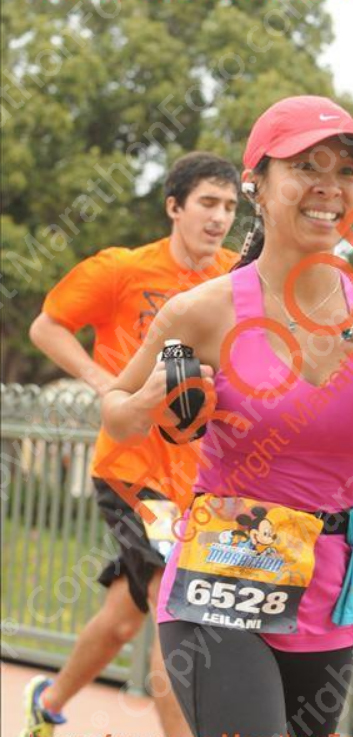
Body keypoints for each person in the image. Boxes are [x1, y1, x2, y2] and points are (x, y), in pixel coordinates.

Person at [101, 96, 353, 736]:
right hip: (219, 582)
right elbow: (116, 412)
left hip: (330, 594)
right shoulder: (203, 310)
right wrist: (144, 402)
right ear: (257, 185)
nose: (330, 186)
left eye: (347, 172)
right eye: (305, 166)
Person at [22, 152, 240, 737]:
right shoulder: (121, 269)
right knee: (178, 620)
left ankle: (46, 705)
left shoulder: (235, 280)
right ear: (174, 207)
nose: (219, 218)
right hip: (133, 472)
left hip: (202, 483)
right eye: (207, 203)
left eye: (229, 206)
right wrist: (104, 383)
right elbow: (46, 325)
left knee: (123, 620)